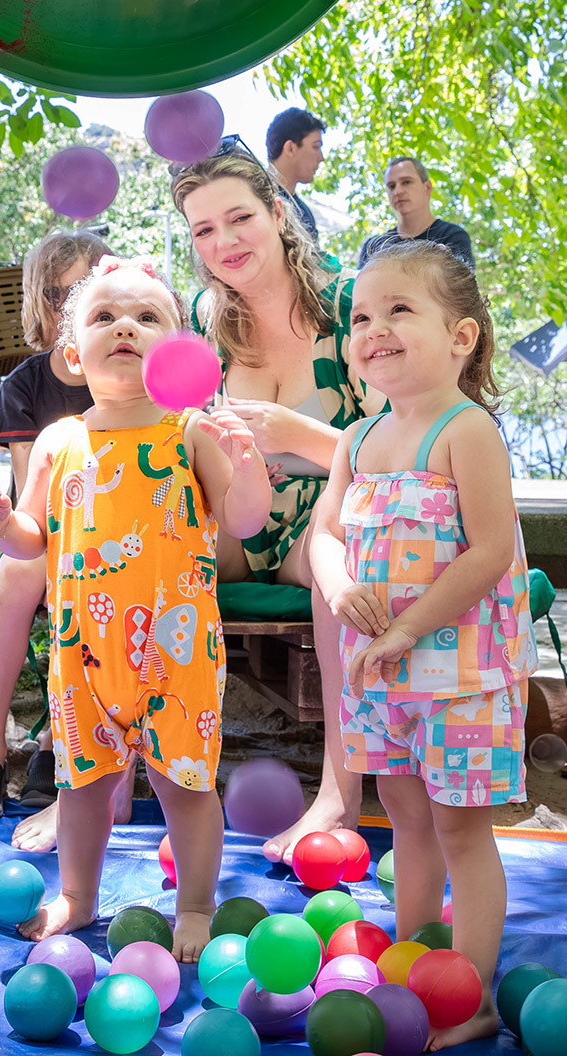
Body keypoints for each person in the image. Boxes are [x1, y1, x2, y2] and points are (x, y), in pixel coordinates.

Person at [0, 257, 271, 960]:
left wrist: (246, 463)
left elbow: (245, 520)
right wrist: (1, 524)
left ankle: (194, 903)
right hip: (82, 653)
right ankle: (78, 895)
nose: (125, 325)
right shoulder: (58, 441)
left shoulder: (190, 431)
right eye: (104, 317)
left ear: (180, 349)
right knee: (83, 786)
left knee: (184, 786)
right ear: (73, 354)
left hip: (177, 656)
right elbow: (35, 539)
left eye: (147, 316)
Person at [310, 242, 537, 1050]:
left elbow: (487, 551)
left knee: (460, 828)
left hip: (460, 678)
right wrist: (338, 587)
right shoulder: (357, 439)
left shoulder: (465, 430)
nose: (373, 328)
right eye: (361, 316)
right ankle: (415, 959)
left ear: (461, 336)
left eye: (399, 309)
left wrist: (410, 624)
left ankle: (467, 991)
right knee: (403, 815)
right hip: (381, 679)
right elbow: (324, 534)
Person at [171, 147, 386, 862]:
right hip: (239, 512)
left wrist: (297, 433)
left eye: (239, 218)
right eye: (203, 231)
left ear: (279, 214)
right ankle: (102, 770)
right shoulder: (205, 319)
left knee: (340, 562)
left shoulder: (352, 306)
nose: (224, 242)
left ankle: (337, 792)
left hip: (323, 517)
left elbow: (400, 451)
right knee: (152, 547)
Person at [0, 229, 116, 831]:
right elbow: (30, 505)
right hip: (43, 534)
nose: (81, 311)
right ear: (44, 307)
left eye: (93, 294)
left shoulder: (130, 381)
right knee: (18, 577)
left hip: (124, 541)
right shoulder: (24, 387)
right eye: (65, 296)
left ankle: (58, 744)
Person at [359, 157, 475, 271]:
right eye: (391, 186)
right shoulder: (373, 247)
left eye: (406, 182)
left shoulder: (452, 237)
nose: (398, 191)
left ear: (427, 187)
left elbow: (458, 287)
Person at [265, 107, 326, 246]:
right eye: (315, 147)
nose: (321, 157)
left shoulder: (305, 213)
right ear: (290, 148)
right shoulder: (257, 200)